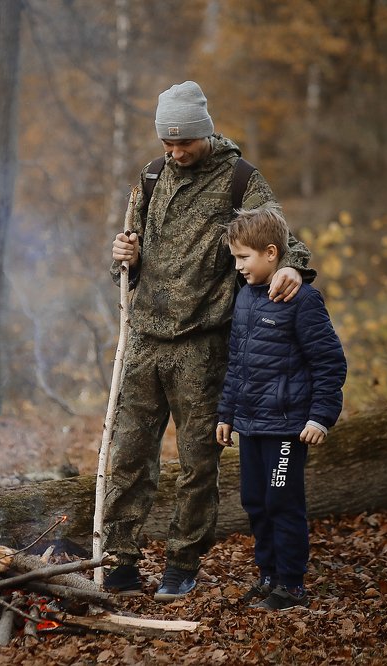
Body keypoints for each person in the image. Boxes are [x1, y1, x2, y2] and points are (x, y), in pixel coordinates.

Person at [102, 80, 316, 602]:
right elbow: (128, 263)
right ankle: (119, 561)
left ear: (205, 132)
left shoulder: (241, 180)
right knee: (128, 456)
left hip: (202, 345)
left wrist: (290, 268)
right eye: (167, 144)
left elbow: (285, 242)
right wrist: (122, 257)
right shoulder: (150, 177)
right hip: (145, 343)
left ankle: (181, 564)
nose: (175, 152)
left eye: (184, 143)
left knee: (198, 463)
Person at [217, 203, 346, 610]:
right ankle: (268, 575)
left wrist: (320, 418)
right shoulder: (245, 299)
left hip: (288, 426)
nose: (238, 266)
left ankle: (291, 584)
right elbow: (237, 363)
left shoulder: (303, 300)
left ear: (272, 253)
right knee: (255, 502)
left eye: (243, 258)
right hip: (252, 425)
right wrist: (226, 414)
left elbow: (330, 363)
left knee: (281, 502)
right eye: (235, 258)